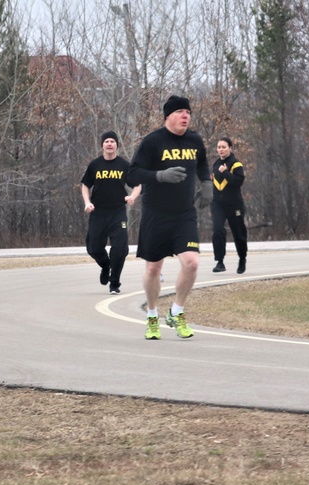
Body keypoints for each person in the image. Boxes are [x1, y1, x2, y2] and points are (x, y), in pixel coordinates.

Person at [127, 95, 210, 340]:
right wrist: (159, 176)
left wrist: (207, 183)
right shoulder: (153, 141)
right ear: (168, 116)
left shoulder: (194, 140)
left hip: (184, 213)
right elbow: (132, 175)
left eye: (188, 112)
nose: (186, 116)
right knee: (153, 268)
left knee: (192, 263)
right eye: (181, 111)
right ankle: (152, 316)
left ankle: (177, 312)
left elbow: (203, 164)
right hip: (156, 214)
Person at [81, 131, 141, 295]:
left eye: (112, 141)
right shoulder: (95, 165)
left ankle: (114, 282)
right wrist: (87, 202)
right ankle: (106, 266)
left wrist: (132, 197)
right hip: (98, 213)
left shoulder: (124, 165)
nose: (109, 144)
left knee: (120, 249)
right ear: (102, 145)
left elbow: (137, 185)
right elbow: (86, 185)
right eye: (106, 141)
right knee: (93, 248)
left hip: (117, 213)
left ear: (116, 145)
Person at [210, 136, 248, 274]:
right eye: (219, 147)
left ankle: (242, 258)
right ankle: (220, 262)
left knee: (238, 233)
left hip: (234, 205)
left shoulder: (236, 164)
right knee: (218, 230)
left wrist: (225, 172)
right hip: (218, 205)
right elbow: (214, 183)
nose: (221, 149)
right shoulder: (215, 164)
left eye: (224, 147)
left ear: (230, 148)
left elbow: (238, 182)